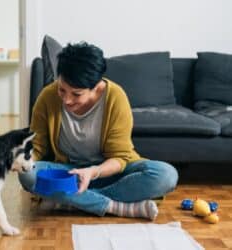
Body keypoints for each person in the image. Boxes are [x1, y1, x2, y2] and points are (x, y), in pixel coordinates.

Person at [19, 42, 178, 220]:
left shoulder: (115, 98)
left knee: (166, 175)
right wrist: (21, 158)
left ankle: (70, 200)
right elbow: (37, 147)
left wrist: (93, 172)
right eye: (62, 90)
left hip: (108, 172)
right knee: (28, 176)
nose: (67, 100)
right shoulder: (48, 96)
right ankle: (114, 206)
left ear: (95, 87)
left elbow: (120, 158)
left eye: (76, 94)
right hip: (68, 174)